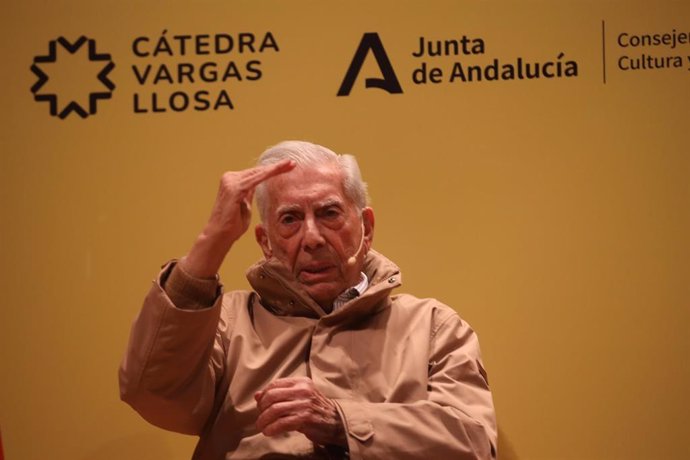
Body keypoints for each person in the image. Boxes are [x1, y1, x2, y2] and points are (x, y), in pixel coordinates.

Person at [119, 140, 497, 459]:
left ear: (366, 228)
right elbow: (152, 393)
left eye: (329, 213)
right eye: (290, 219)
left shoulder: (432, 325)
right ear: (265, 242)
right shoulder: (225, 322)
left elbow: (474, 441)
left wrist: (340, 421)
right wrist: (212, 242)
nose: (312, 237)